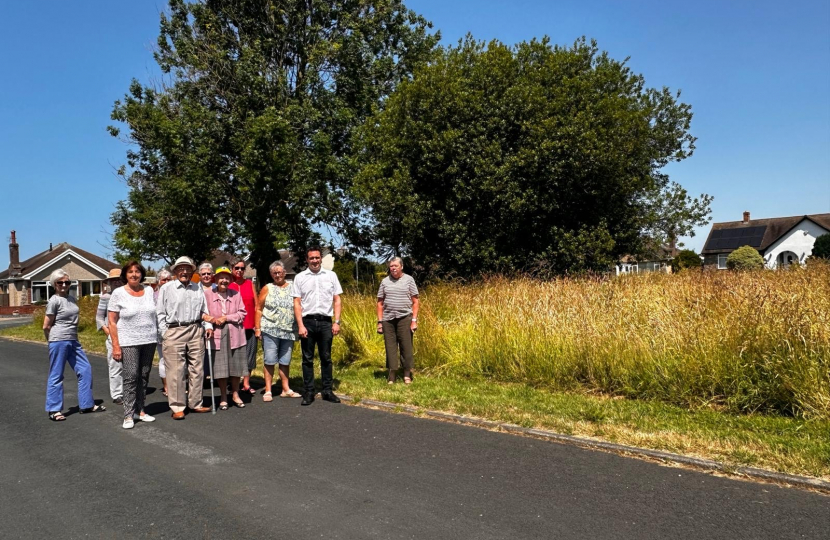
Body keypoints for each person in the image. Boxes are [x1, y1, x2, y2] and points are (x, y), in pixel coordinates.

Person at [43, 269, 106, 421]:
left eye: (67, 282)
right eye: (60, 282)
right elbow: (46, 325)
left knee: (85, 369)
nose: (64, 285)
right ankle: (54, 409)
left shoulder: (71, 299)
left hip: (73, 340)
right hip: (58, 340)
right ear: (54, 284)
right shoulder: (54, 301)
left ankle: (86, 404)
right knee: (57, 374)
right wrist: (51, 340)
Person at [156, 256, 214, 420]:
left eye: (187, 269)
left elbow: (204, 311)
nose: (184, 271)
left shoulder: (198, 288)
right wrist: (164, 333)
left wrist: (208, 326)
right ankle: (178, 407)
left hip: (195, 329)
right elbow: (160, 313)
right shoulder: (167, 288)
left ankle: (195, 403)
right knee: (176, 370)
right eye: (180, 268)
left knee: (197, 369)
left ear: (192, 271)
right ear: (175, 271)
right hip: (175, 330)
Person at [108, 261, 158, 429]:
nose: (134, 275)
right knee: (130, 377)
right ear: (125, 275)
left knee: (144, 376)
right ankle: (128, 414)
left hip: (149, 340)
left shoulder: (149, 290)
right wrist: (116, 345)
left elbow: (155, 315)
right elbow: (112, 321)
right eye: (130, 272)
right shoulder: (118, 293)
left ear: (142, 274)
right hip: (128, 341)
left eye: (137, 272)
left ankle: (140, 410)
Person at [292, 246, 343, 406]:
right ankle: (309, 391)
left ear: (321, 258)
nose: (314, 260)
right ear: (307, 260)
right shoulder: (300, 277)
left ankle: (327, 390)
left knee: (326, 357)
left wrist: (337, 322)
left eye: (317, 257)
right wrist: (300, 325)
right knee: (307, 359)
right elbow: (297, 303)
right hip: (307, 322)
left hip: (326, 322)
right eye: (311, 258)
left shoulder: (331, 276)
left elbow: (337, 300)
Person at [255, 260, 301, 401]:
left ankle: (285, 388)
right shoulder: (267, 288)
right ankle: (268, 390)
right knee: (269, 359)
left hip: (288, 330)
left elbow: (299, 305)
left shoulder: (293, 287)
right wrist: (257, 328)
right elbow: (258, 308)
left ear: (284, 273)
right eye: (274, 273)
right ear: (271, 274)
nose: (277, 275)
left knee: (285, 361)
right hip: (270, 329)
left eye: (279, 272)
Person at [204, 267, 248, 409]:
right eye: (221, 277)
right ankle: (223, 396)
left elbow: (242, 313)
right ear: (215, 279)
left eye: (227, 277)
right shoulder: (207, 294)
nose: (224, 280)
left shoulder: (235, 294)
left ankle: (235, 394)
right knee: (220, 368)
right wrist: (211, 321)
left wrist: (226, 318)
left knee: (236, 367)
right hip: (216, 334)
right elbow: (202, 313)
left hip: (235, 333)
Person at [376, 257, 420, 384]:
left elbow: (415, 301)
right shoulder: (385, 282)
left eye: (395, 266)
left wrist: (414, 320)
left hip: (405, 317)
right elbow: (380, 303)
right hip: (388, 319)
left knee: (406, 346)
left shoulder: (409, 280)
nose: (393, 268)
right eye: (391, 266)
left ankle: (407, 374)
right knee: (390, 347)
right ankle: (392, 374)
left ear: (401, 267)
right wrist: (380, 322)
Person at [228, 259, 257, 394]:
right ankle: (233, 382)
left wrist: (258, 326)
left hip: (249, 326)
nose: (239, 270)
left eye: (242, 268)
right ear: (232, 269)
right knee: (233, 356)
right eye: (236, 268)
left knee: (249, 356)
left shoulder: (249, 284)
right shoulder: (228, 285)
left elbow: (257, 305)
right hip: (234, 327)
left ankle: (246, 383)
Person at [96, 268, 125, 405]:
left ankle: (130, 391)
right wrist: (108, 332)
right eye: (113, 281)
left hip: (129, 335)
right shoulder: (106, 297)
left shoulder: (128, 294)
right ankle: (117, 394)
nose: (116, 283)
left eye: (119, 280)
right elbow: (99, 318)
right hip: (112, 336)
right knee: (115, 365)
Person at [154, 269, 173, 396]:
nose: (166, 282)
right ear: (158, 281)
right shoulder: (154, 295)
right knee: (164, 359)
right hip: (160, 331)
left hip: (175, 330)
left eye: (168, 279)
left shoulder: (175, 293)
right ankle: (166, 386)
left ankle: (176, 385)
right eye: (163, 279)